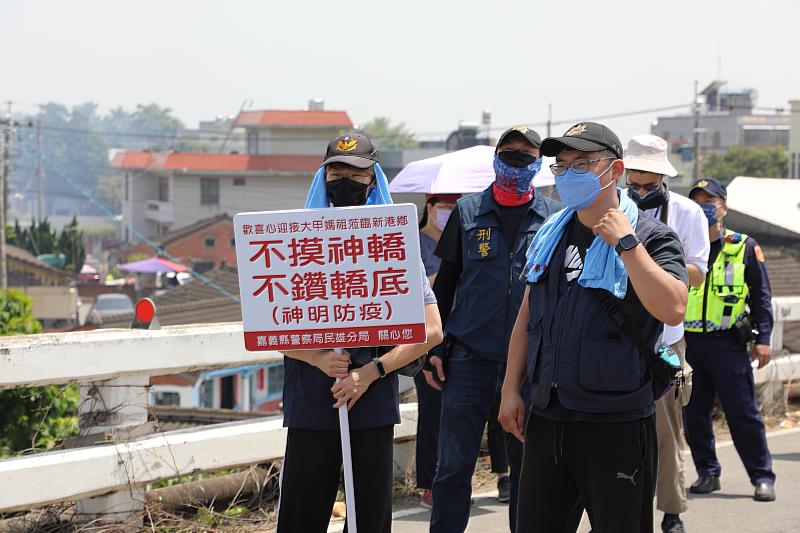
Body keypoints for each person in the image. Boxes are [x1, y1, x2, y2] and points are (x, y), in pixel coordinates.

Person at [499, 122, 688, 533]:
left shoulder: (652, 237)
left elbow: (673, 308)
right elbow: (528, 318)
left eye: (582, 163)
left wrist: (626, 244)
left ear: (614, 168)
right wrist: (511, 390)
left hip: (615, 421)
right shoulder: (551, 234)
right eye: (562, 165)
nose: (569, 174)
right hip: (548, 415)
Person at [276, 132, 444, 533]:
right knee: (300, 515)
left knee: (370, 519)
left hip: (371, 402)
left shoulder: (397, 244)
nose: (346, 179)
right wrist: (317, 357)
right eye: (336, 170)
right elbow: (271, 327)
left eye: (357, 172)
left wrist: (370, 373)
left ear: (374, 179)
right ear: (323, 176)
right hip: (310, 399)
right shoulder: (293, 240)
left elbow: (431, 329)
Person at [425, 125, 562, 532]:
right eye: (510, 151)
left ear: (539, 163)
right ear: (496, 156)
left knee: (527, 471)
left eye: (527, 153)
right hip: (467, 359)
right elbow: (446, 284)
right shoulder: (467, 212)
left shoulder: (555, 217)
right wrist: (435, 349)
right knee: (452, 468)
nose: (517, 158)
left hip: (530, 365)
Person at [623, 134, 710, 533]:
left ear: (663, 178)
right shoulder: (611, 210)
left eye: (649, 185)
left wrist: (652, 258)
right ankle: (619, 505)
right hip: (618, 333)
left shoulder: (689, 213)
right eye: (634, 184)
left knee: (668, 427)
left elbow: (697, 272)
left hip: (666, 339)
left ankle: (672, 510)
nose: (640, 192)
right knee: (617, 429)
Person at [683, 177, 777, 502]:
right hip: (689, 343)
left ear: (723, 206)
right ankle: (707, 473)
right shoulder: (682, 244)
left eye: (710, 201)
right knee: (693, 413)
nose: (703, 207)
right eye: (697, 201)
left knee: (742, 412)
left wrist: (763, 339)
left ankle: (762, 476)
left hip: (728, 343)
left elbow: (762, 298)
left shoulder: (744, 246)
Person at [415, 193, 458, 508]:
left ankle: (454, 479)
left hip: (459, 332)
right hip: (427, 337)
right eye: (444, 206)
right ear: (429, 207)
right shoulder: (413, 242)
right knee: (432, 412)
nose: (449, 212)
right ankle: (429, 483)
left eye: (455, 207)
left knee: (459, 413)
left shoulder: (463, 240)